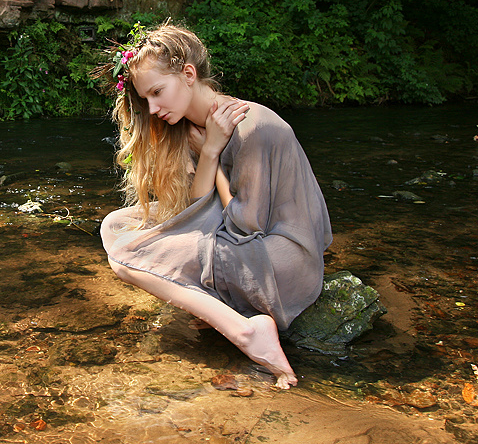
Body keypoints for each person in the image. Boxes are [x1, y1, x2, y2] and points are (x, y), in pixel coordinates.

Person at [97, 23, 331, 388]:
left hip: (281, 265)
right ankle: (216, 304)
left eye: (158, 92)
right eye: (146, 100)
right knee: (115, 226)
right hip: (246, 249)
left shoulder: (250, 126)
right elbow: (197, 209)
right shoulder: (197, 128)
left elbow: (243, 226)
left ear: (188, 74)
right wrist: (209, 151)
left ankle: (246, 332)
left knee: (125, 257)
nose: (153, 108)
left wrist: (216, 152)